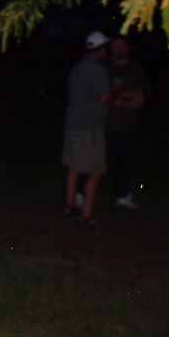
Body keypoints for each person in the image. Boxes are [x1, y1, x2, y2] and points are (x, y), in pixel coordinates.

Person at [62, 31, 111, 226]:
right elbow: (104, 97)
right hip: (89, 129)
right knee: (96, 170)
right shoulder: (96, 70)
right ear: (101, 49)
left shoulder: (78, 68)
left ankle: (70, 204)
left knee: (74, 166)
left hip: (73, 126)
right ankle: (87, 213)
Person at [106, 35, 150, 209]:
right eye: (115, 45)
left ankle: (123, 195)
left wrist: (117, 96)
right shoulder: (104, 66)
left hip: (127, 125)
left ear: (128, 47)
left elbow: (141, 97)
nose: (118, 49)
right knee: (95, 161)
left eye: (121, 45)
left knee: (125, 161)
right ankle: (82, 194)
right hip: (104, 123)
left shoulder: (136, 69)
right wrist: (126, 97)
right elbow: (102, 95)